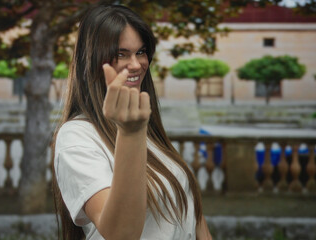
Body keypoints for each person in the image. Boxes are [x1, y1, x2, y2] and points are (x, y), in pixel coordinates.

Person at [53, 3, 212, 240]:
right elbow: (121, 235)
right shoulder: (77, 136)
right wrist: (130, 132)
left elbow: (194, 219)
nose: (136, 64)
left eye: (141, 52)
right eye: (120, 54)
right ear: (93, 60)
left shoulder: (147, 130)